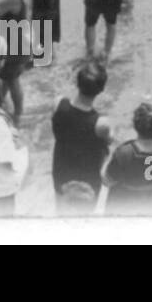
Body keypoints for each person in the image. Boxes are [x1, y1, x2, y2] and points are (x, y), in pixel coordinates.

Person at [102, 101, 152, 214]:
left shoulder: (124, 152)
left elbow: (107, 181)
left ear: (135, 126)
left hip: (127, 203)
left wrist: (106, 159)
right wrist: (151, 109)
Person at [51, 62, 111, 206]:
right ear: (101, 90)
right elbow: (108, 141)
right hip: (88, 179)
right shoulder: (101, 123)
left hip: (61, 172)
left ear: (77, 82)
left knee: (61, 213)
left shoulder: (58, 103)